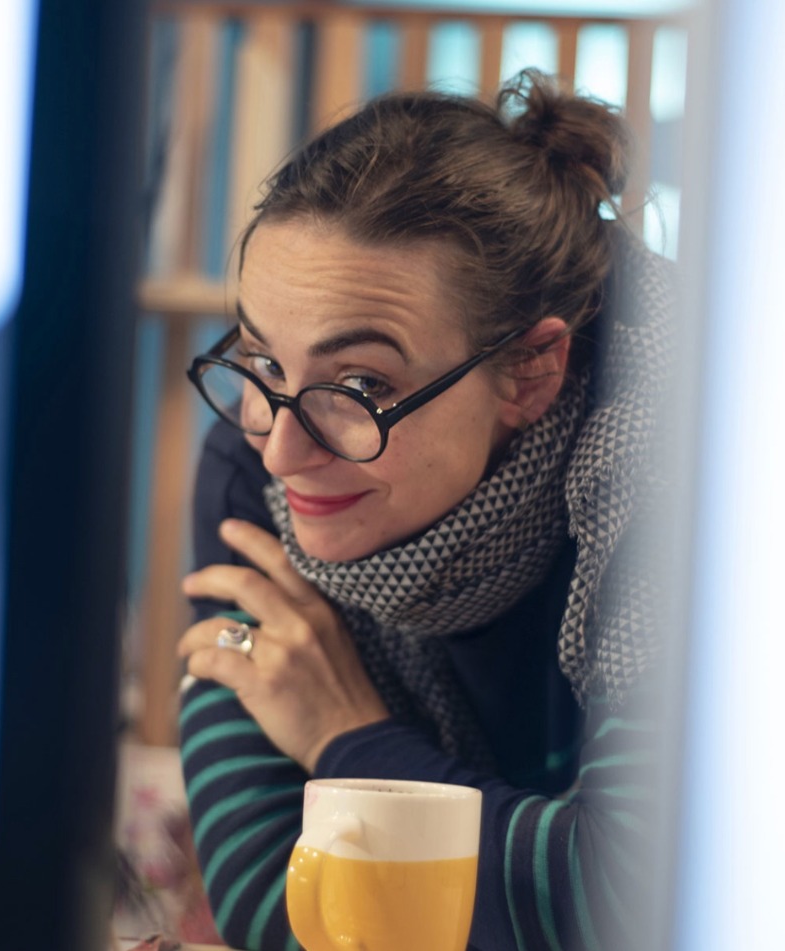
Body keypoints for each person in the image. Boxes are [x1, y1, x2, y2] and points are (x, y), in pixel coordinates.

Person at [175, 69, 674, 951]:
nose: (283, 449)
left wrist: (345, 738)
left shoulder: (678, 475)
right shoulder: (252, 459)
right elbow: (270, 902)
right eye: (262, 360)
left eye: (361, 384)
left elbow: (635, 896)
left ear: (530, 371)